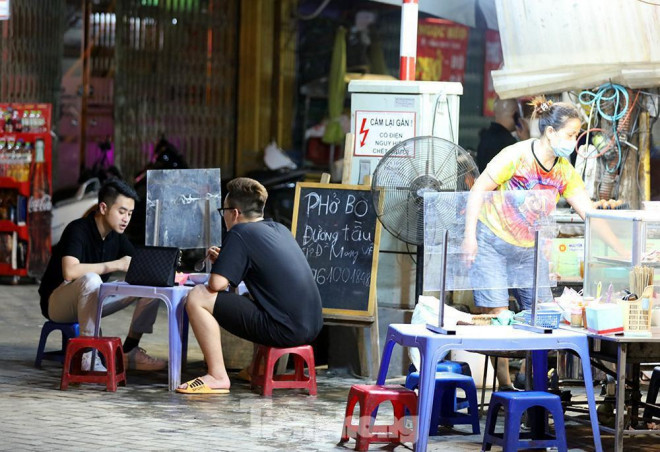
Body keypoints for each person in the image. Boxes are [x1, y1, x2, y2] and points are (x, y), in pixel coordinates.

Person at [463, 96, 596, 390]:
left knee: (544, 317)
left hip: (528, 249)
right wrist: (469, 236)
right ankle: (507, 388)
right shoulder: (515, 155)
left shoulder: (564, 171)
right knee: (500, 321)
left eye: (577, 135)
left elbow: (590, 213)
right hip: (493, 242)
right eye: (571, 134)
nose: (574, 142)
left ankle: (531, 385)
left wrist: (621, 244)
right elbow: (479, 190)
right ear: (550, 132)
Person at [177, 177, 323, 394]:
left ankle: (217, 376)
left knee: (198, 296)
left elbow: (216, 284)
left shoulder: (240, 232)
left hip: (284, 329)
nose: (223, 216)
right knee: (250, 299)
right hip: (313, 326)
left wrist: (223, 265)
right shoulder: (279, 229)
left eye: (223, 210)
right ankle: (259, 367)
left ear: (234, 213)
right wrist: (228, 262)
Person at [39, 178, 166, 372]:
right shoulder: (78, 229)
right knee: (91, 279)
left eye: (130, 213)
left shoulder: (117, 237)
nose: (126, 219)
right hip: (58, 302)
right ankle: (88, 356)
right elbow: (70, 271)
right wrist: (115, 265)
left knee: (153, 287)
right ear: (104, 208)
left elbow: (140, 265)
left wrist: (169, 272)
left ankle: (129, 348)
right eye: (121, 211)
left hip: (92, 300)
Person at [476, 98, 530, 173]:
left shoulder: (486, 136)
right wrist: (526, 140)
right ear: (515, 115)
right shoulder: (508, 142)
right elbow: (527, 168)